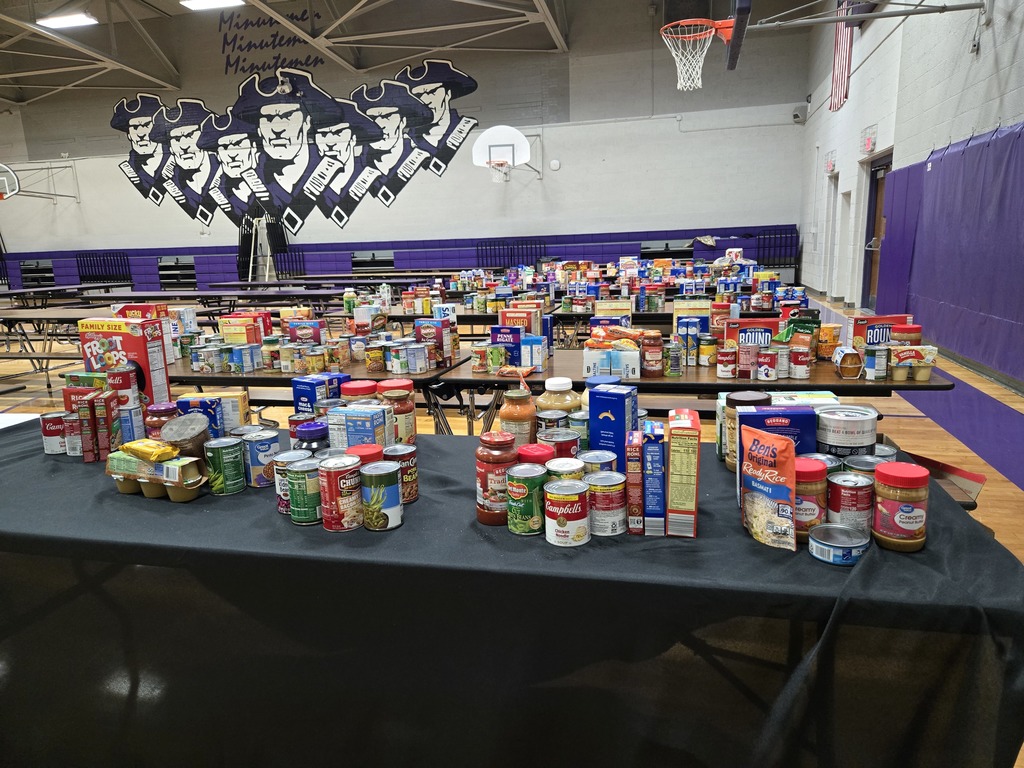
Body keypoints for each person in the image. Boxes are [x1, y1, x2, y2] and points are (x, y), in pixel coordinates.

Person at [234, 68, 330, 235]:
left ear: (306, 123)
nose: (277, 129)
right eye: (268, 118)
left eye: (288, 115)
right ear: (259, 129)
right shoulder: (251, 178)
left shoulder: (329, 170)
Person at [350, 80, 433, 207]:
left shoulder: (422, 159)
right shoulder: (353, 169)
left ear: (403, 122)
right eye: (371, 118)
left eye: (387, 116)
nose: (379, 125)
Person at [304, 97, 383, 229]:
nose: (329, 143)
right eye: (322, 135)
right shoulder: (306, 186)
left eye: (338, 133)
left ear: (353, 139)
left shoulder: (372, 178)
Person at [394, 59, 478, 177]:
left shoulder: (465, 127)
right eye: (418, 96)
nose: (425, 101)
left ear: (447, 94)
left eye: (431, 92)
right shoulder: (406, 147)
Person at [197, 108, 272, 227]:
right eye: (224, 147)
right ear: (218, 155)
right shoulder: (215, 194)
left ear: (253, 147)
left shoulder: (274, 182)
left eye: (238, 144)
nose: (232, 154)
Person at [152, 99, 218, 224]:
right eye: (176, 139)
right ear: (170, 147)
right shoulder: (167, 178)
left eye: (190, 135)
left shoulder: (222, 172)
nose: (184, 146)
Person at [110, 93, 169, 204]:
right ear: (129, 135)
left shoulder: (176, 162)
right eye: (135, 127)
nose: (141, 134)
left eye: (146, 125)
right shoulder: (130, 168)